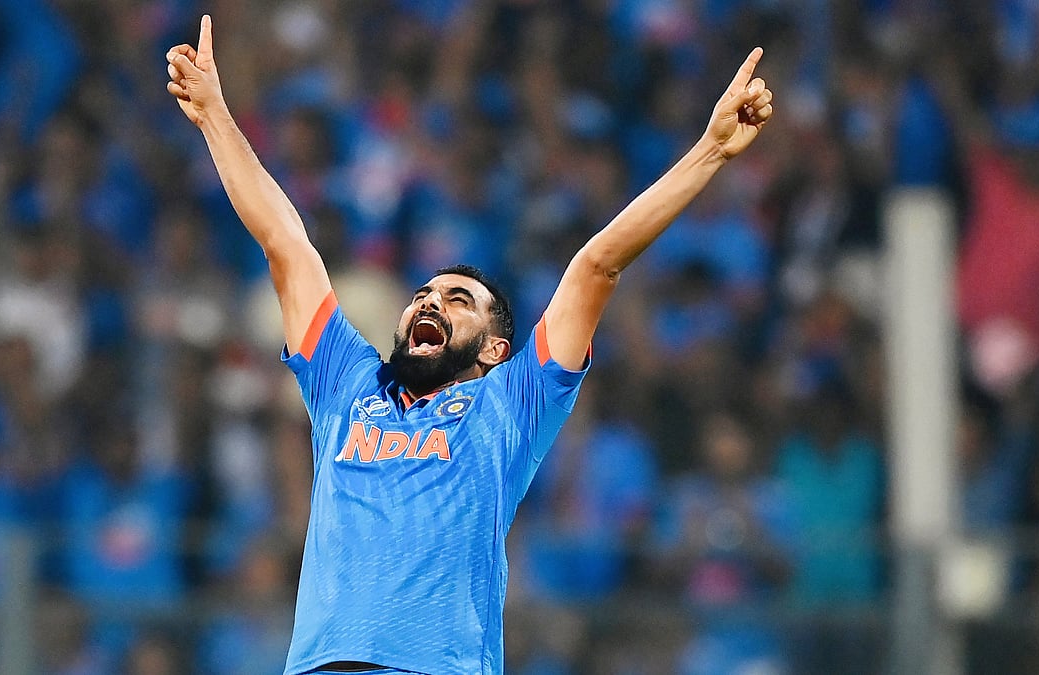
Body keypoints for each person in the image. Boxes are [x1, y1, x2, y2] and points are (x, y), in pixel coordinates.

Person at [165, 14, 774, 675]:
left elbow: (597, 265)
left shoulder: (510, 402)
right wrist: (215, 118)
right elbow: (285, 243)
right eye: (425, 292)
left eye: (459, 300)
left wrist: (710, 150)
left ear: (493, 350)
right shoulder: (348, 381)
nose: (431, 300)